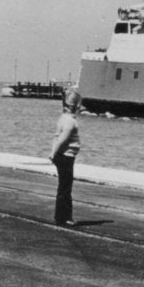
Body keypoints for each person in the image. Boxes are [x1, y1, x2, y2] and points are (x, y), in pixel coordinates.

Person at [49, 87, 82, 226]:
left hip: (63, 155)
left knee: (63, 186)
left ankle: (60, 216)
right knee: (66, 188)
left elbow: (56, 137)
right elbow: (63, 139)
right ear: (74, 105)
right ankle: (65, 217)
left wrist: (53, 152)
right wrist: (53, 153)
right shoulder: (70, 121)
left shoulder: (63, 118)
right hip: (66, 156)